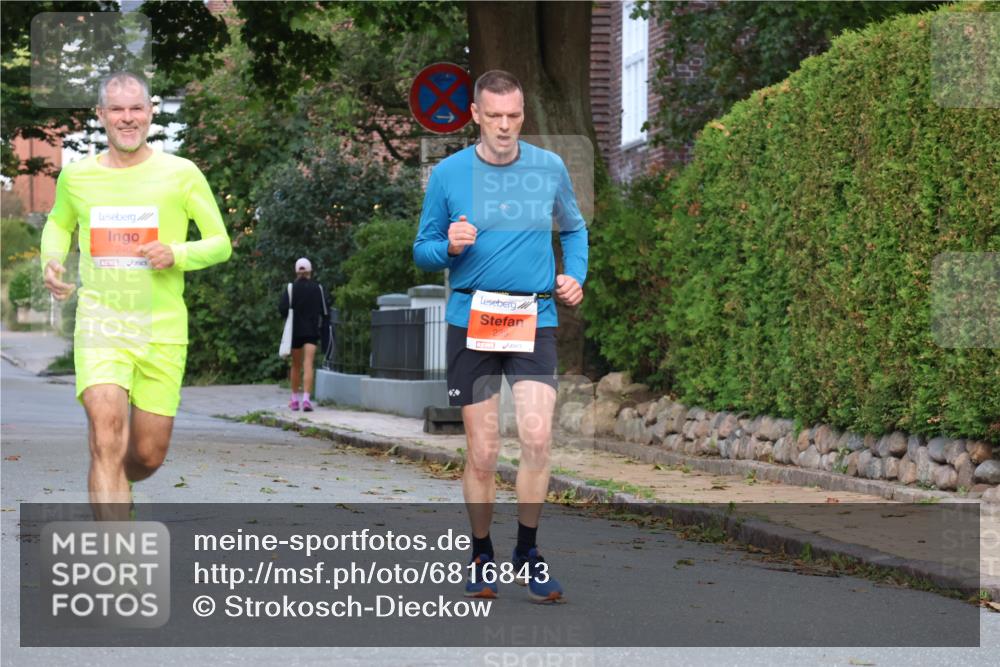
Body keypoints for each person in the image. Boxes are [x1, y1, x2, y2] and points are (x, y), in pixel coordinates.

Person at [413, 70, 588, 603]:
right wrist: (449, 247)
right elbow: (422, 249)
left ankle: (527, 552)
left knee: (536, 440)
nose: (505, 126)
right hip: (473, 319)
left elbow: (574, 228)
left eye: (513, 116)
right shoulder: (448, 174)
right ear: (475, 115)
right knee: (484, 452)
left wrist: (575, 274)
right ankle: (481, 552)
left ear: (522, 115)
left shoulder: (549, 167)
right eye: (494, 116)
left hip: (534, 316)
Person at [40, 71, 232, 520]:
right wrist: (51, 259)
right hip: (100, 324)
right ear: (101, 115)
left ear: (150, 111)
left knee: (146, 454)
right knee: (106, 439)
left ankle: (120, 480)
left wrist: (177, 253)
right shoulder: (77, 176)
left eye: (136, 108)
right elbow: (58, 223)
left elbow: (220, 243)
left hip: (162, 330)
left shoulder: (181, 174)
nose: (127, 118)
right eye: (117, 109)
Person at [278, 257, 329, 411]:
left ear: (296, 272)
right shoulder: (318, 288)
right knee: (308, 364)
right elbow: (325, 310)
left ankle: (294, 400)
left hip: (295, 332)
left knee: (295, 365)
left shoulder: (291, 288)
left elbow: (282, 309)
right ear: (310, 272)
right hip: (312, 331)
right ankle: (306, 400)